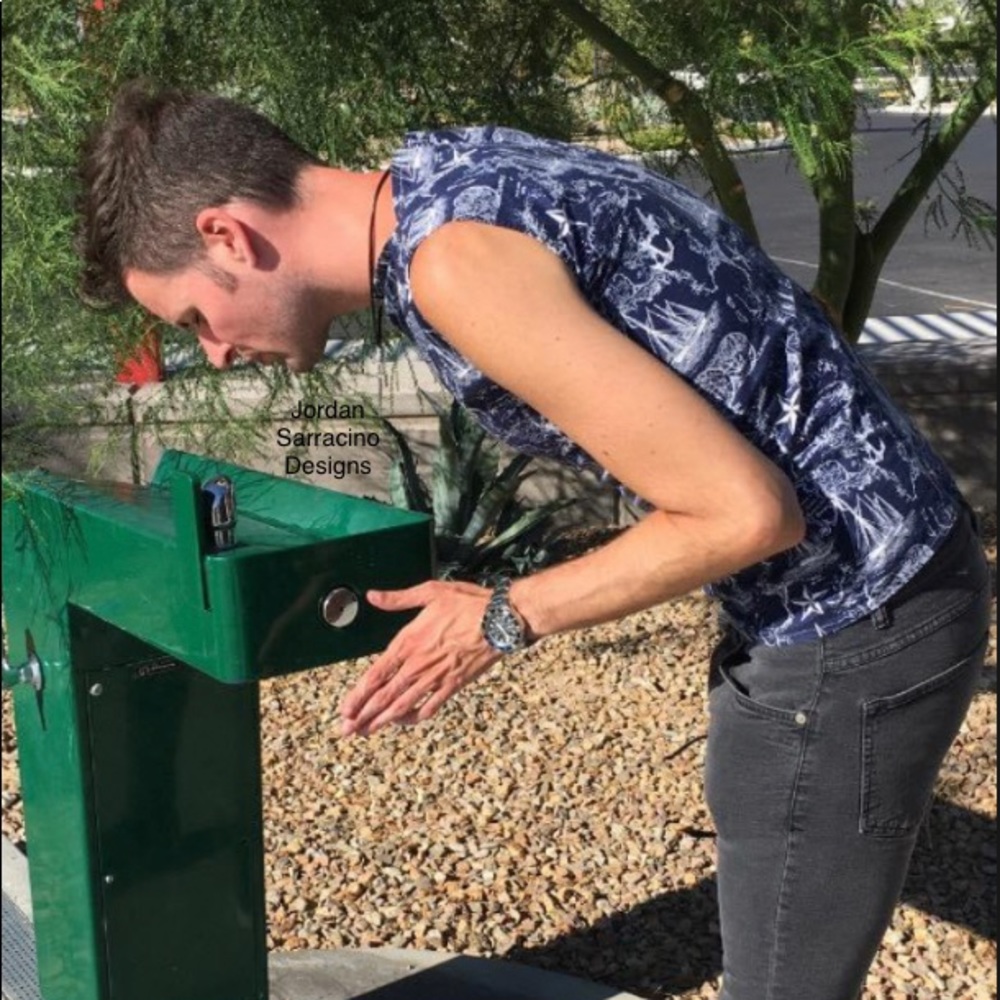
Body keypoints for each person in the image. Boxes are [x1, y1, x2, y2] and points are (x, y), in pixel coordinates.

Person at [78, 80, 991, 1000]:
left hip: (859, 618)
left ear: (226, 236)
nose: (218, 354)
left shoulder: (453, 267)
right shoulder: (458, 168)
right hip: (882, 575)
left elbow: (745, 513)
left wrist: (503, 616)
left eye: (196, 320)